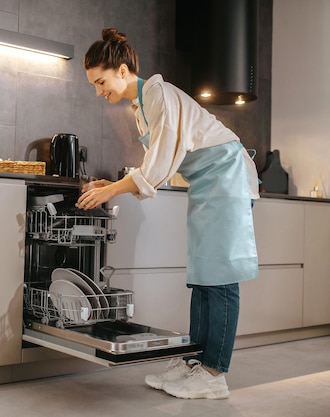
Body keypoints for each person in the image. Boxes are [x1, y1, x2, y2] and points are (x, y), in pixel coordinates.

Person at [77, 29, 259, 400]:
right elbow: (157, 163)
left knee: (220, 280)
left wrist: (112, 190)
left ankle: (213, 373)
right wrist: (112, 184)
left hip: (227, 177)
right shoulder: (141, 105)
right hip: (209, 184)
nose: (99, 91)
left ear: (123, 71)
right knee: (203, 277)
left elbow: (157, 167)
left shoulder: (158, 94)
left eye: (101, 81)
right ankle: (195, 361)